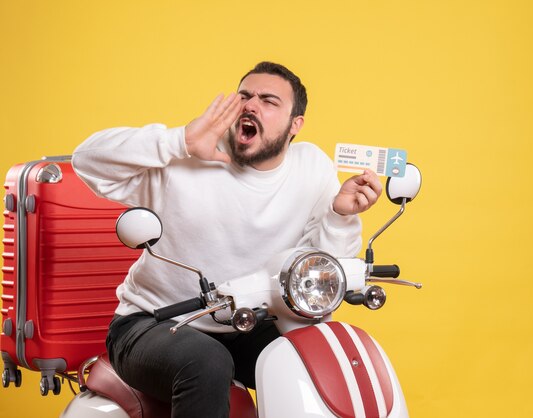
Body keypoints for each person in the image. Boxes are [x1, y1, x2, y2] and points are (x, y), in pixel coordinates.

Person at [72, 61, 382, 417]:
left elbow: (320, 273)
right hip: (152, 324)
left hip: (248, 322)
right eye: (245, 96)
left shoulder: (312, 168)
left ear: (295, 124)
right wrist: (180, 140)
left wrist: (340, 215)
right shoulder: (188, 156)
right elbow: (86, 161)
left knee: (322, 351)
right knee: (207, 362)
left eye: (268, 100)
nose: (251, 105)